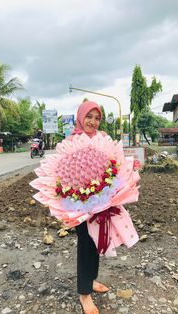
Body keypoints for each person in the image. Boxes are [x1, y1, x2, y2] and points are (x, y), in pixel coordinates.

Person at [70, 101, 110, 314]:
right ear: (80, 116)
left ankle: (91, 280)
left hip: (102, 203)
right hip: (81, 204)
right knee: (85, 245)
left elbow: (114, 163)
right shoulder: (72, 142)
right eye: (89, 116)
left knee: (96, 243)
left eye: (97, 118)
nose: (93, 122)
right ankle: (84, 294)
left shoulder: (103, 139)